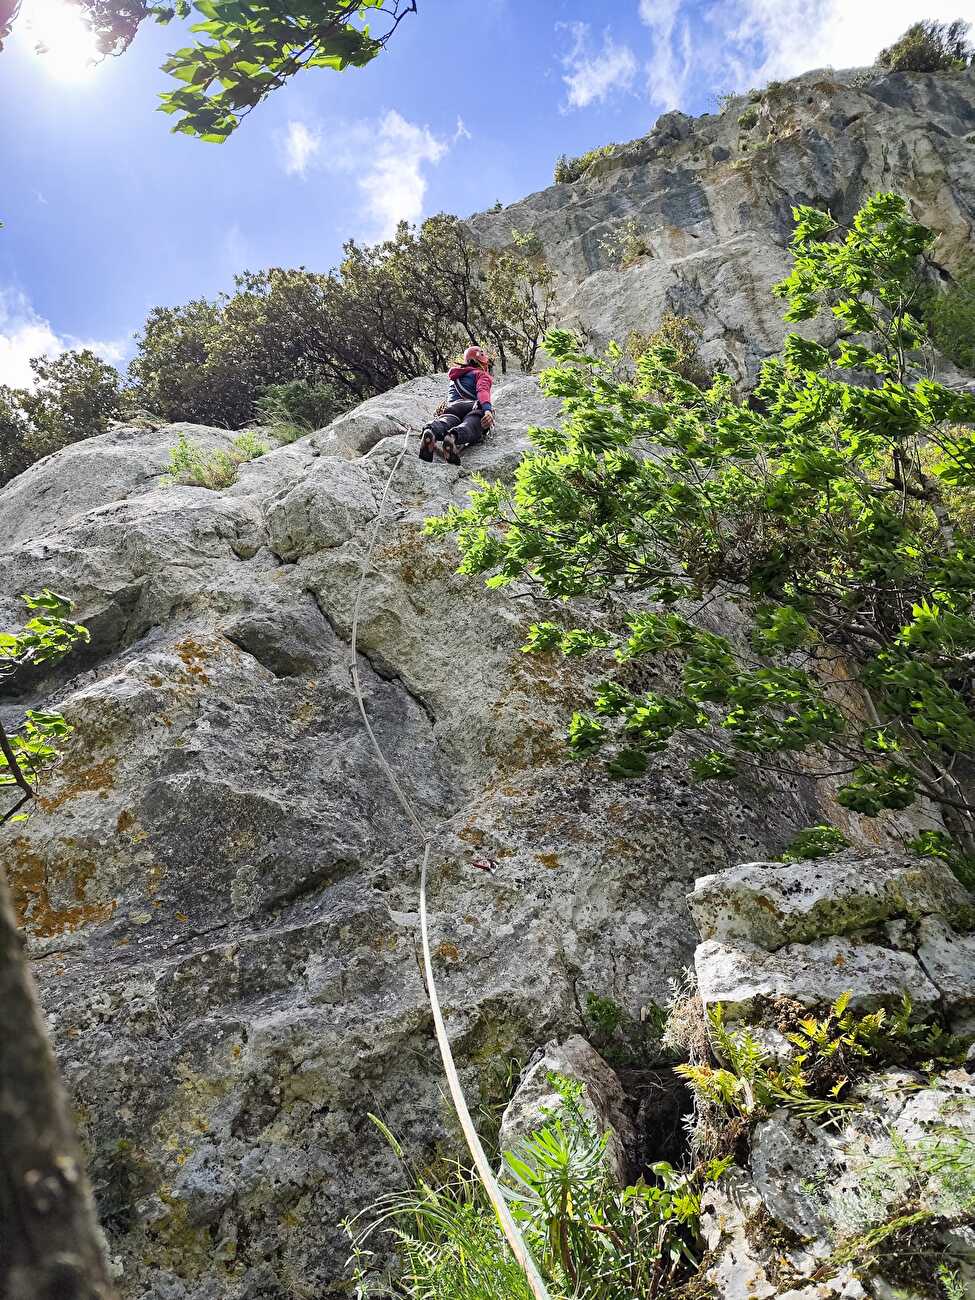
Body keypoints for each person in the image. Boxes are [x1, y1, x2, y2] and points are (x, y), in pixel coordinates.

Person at [419, 346, 496, 465]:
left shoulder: (455, 377)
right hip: (472, 406)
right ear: (482, 360)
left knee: (446, 421)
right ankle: (452, 437)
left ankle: (431, 430)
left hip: (453, 407)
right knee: (471, 423)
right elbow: (483, 391)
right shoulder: (481, 374)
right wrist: (487, 410)